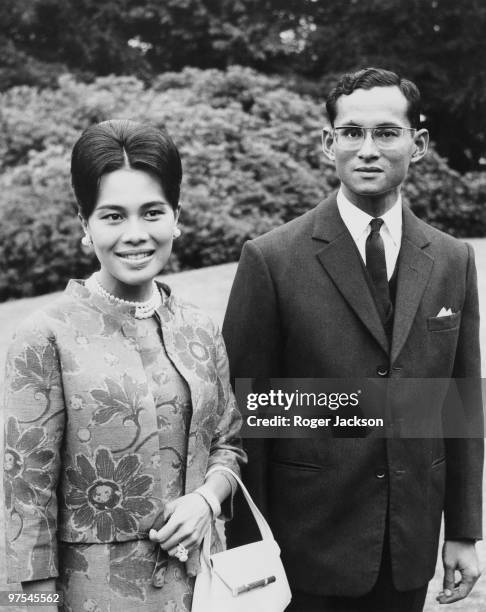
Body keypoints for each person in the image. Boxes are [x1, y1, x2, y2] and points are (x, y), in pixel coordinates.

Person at [222, 68, 483, 611]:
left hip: (410, 544)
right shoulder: (271, 259)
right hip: (303, 547)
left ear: (419, 145)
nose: (368, 149)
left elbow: (460, 406)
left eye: (387, 132)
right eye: (351, 132)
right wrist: (246, 551)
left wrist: (463, 530)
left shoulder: (453, 260)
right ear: (328, 143)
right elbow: (244, 412)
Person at [3, 119, 246, 611]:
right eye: (113, 216)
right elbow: (23, 507)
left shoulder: (199, 327)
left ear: (177, 216)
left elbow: (229, 446)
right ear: (84, 225)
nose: (136, 234)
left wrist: (207, 499)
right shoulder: (45, 335)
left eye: (152, 212)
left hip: (205, 590)